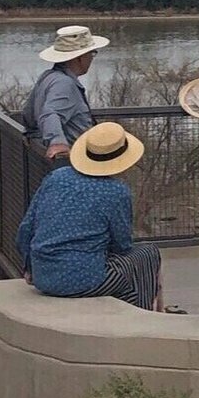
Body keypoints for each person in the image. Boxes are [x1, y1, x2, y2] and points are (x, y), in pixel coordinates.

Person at [16, 121, 167, 311]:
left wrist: (29, 267)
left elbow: (26, 229)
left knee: (125, 275)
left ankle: (137, 307)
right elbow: (122, 245)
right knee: (148, 255)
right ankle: (145, 312)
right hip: (84, 280)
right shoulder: (117, 192)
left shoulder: (56, 177)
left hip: (42, 276)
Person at [23, 25, 109, 160]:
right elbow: (50, 113)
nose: (92, 58)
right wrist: (57, 143)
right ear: (79, 58)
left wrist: (35, 137)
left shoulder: (48, 77)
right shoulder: (64, 83)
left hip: (61, 159)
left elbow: (28, 114)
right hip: (73, 161)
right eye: (91, 53)